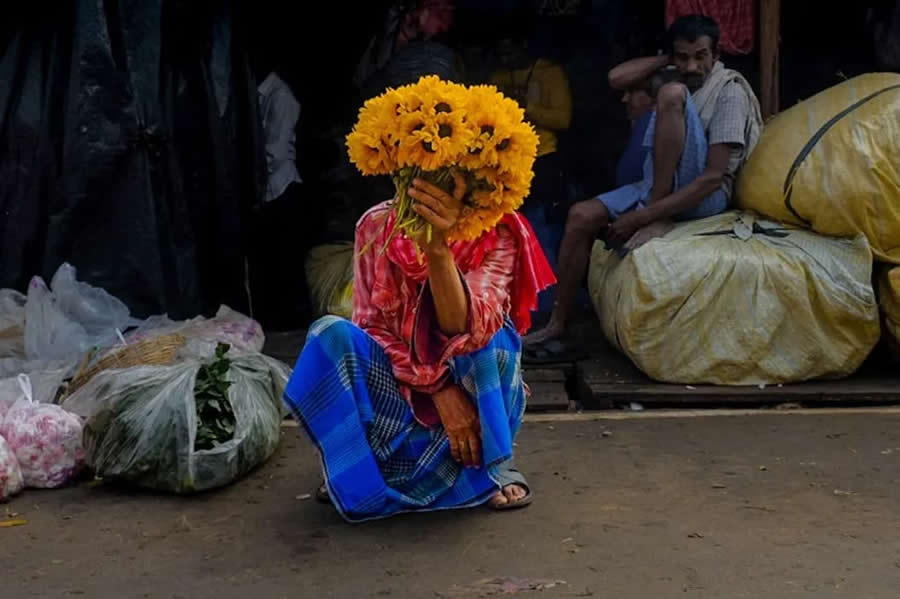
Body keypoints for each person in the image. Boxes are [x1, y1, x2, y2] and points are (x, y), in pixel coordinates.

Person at [283, 173, 556, 522]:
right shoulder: (376, 224)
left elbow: (470, 332)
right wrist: (437, 388)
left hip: (469, 417)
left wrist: (437, 248)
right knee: (329, 333)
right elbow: (372, 328)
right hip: (402, 399)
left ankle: (493, 467)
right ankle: (357, 468)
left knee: (497, 338)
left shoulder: (500, 229)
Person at [523, 14, 763, 349]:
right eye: (683, 56)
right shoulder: (678, 73)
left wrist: (644, 216)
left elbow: (711, 179)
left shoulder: (728, 91)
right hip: (659, 183)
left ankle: (657, 210)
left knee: (671, 92)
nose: (692, 66)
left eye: (700, 56)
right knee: (580, 216)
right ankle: (557, 323)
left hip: (705, 195)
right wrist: (668, 59)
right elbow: (616, 78)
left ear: (716, 55)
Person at [490, 32, 573, 222]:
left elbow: (563, 120)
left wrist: (528, 108)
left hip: (542, 157)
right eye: (501, 54)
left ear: (524, 46)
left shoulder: (550, 73)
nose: (505, 59)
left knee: (541, 221)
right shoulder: (499, 75)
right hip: (506, 159)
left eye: (509, 53)